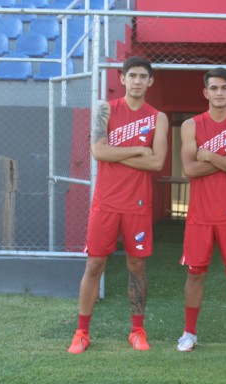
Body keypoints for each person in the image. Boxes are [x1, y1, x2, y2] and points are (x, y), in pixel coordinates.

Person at [68, 56, 169, 354]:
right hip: (106, 201)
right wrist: (139, 147)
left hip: (138, 203)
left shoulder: (158, 117)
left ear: (150, 82)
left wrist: (118, 151)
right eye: (132, 76)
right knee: (95, 264)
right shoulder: (105, 109)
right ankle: (81, 332)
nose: (137, 81)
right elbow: (99, 151)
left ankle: (137, 330)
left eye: (143, 77)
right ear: (122, 79)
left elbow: (157, 161)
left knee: (137, 266)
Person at [176, 67, 226, 353]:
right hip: (200, 215)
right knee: (195, 273)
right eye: (214, 88)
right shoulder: (191, 126)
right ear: (205, 92)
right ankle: (189, 333)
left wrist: (208, 154)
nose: (219, 93)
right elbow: (190, 168)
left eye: (225, 88)